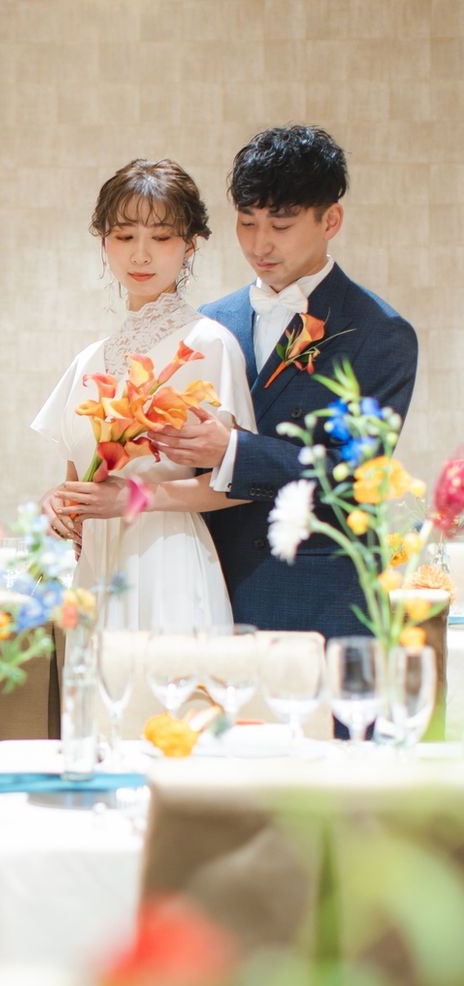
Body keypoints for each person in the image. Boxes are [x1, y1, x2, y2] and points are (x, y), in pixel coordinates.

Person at [147, 124, 419, 637]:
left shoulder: (379, 331)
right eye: (247, 222)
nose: (260, 244)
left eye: (281, 224)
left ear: (330, 220)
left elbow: (353, 474)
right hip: (211, 589)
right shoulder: (210, 322)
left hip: (320, 601)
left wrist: (234, 450)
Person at [33, 159, 255, 631]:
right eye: (124, 235)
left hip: (169, 566)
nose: (141, 255)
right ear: (104, 243)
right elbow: (76, 482)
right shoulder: (88, 361)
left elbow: (239, 485)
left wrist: (136, 497)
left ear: (189, 246)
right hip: (95, 573)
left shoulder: (208, 344)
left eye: (161, 236)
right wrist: (56, 504)